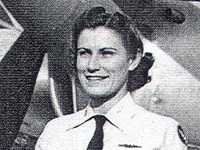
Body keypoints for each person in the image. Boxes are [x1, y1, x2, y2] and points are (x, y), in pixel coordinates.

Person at [35, 7, 188, 150]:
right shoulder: (55, 132)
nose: (92, 65)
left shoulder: (162, 133)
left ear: (133, 60)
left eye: (107, 53)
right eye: (84, 53)